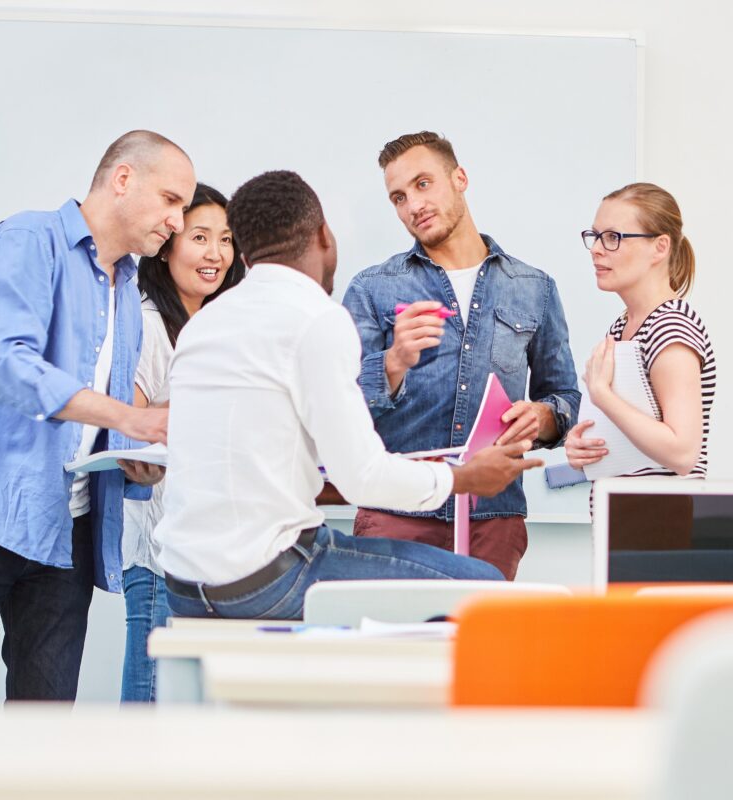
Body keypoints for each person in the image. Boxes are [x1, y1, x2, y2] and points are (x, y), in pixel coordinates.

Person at [154, 170, 544, 622]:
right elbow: (362, 478)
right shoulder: (317, 317)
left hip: (183, 584)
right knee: (487, 588)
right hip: (268, 579)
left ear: (244, 254)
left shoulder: (205, 323)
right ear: (324, 235)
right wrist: (465, 479)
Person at [0, 130, 196, 701]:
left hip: (65, 529)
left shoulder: (126, 285)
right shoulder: (28, 239)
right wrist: (131, 419)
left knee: (45, 723)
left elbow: (91, 420)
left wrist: (134, 462)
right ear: (123, 179)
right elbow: (7, 363)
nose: (178, 221)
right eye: (172, 200)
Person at [342, 131, 579, 580]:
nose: (413, 205)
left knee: (481, 652)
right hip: (397, 511)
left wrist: (544, 417)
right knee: (385, 649)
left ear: (459, 178)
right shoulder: (372, 288)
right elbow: (338, 403)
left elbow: (562, 394)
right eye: (398, 197)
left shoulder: (534, 287)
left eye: (423, 184)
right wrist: (393, 362)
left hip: (494, 518)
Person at [121, 183, 245, 702]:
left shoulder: (215, 325)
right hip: (159, 554)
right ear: (169, 243)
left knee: (190, 707)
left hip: (207, 551)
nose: (215, 253)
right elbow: (129, 424)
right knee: (153, 705)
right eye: (200, 237)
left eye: (226, 239)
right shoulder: (150, 322)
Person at [566, 183, 715, 536]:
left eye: (614, 237)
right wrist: (582, 448)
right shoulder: (623, 325)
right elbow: (634, 436)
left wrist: (603, 396)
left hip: (663, 530)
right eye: (596, 236)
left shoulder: (671, 326)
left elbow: (681, 452)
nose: (597, 250)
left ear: (659, 247)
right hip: (626, 527)